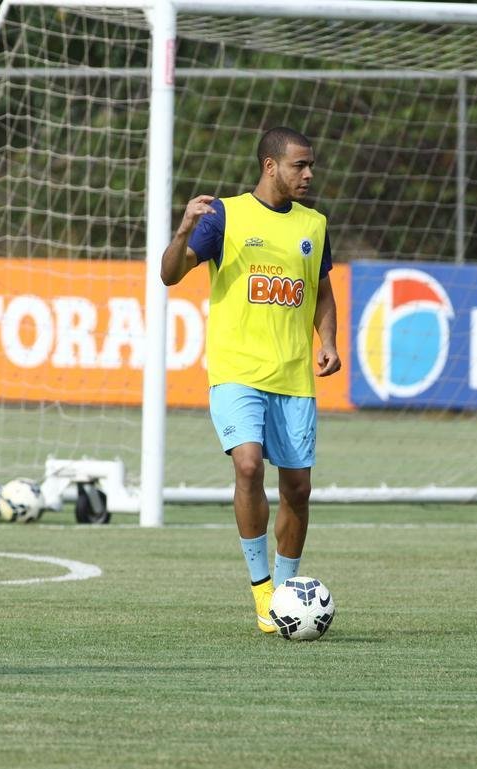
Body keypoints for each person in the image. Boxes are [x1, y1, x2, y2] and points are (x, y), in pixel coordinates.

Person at [161, 127, 340, 633]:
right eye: (299, 166)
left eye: (311, 167)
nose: (308, 175)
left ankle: (287, 589)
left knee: (298, 489)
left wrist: (327, 341)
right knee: (247, 466)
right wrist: (182, 231)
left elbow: (322, 291)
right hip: (237, 370)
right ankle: (264, 592)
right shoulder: (225, 216)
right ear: (270, 166)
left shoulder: (315, 224)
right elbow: (170, 275)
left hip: (292, 376)